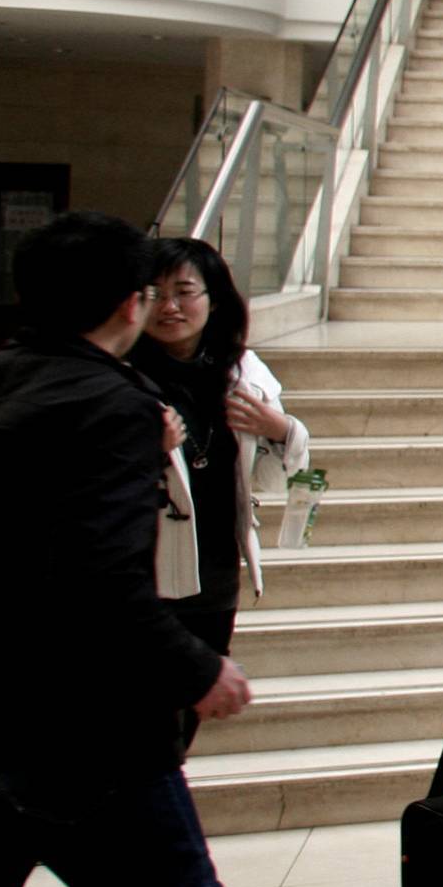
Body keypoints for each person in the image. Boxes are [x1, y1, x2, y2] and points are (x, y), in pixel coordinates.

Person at [0, 212, 394, 887]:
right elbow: (100, 583)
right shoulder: (111, 404)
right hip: (89, 730)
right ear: (130, 302)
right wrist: (197, 669)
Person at [129, 239, 310, 697]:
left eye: (184, 292)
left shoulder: (244, 372)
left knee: (191, 704)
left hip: (215, 570)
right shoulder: (121, 375)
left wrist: (281, 430)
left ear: (214, 300)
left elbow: (272, 480)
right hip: (143, 572)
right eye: (155, 293)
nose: (169, 306)